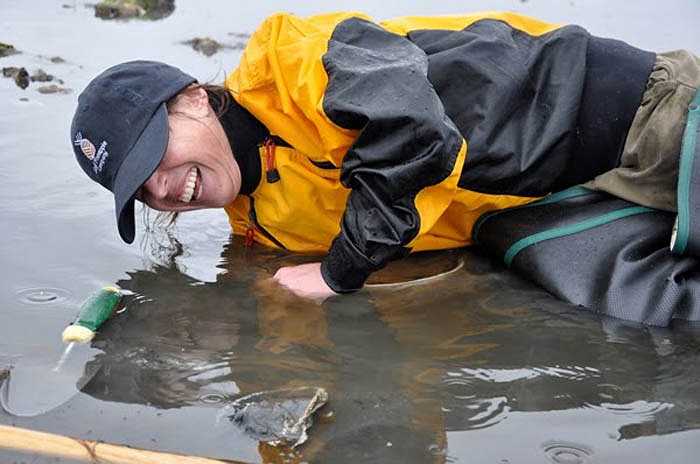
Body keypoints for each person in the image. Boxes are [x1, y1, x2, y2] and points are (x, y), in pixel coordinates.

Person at [70, 11, 700, 301]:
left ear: (194, 98)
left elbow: (417, 133)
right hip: (556, 213)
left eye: (154, 153)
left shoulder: (291, 63)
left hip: (633, 118)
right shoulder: (263, 224)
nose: (162, 189)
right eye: (139, 190)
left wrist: (340, 271)